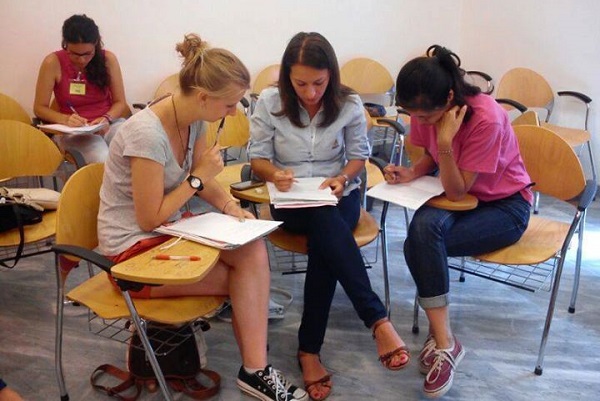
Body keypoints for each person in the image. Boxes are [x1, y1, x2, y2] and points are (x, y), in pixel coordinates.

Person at [96, 33, 307, 401]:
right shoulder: (146, 135)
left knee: (253, 252)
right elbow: (149, 217)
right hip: (131, 257)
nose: (233, 113)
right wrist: (197, 178)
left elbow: (203, 182)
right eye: (229, 105)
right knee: (244, 281)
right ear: (204, 97)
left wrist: (228, 207)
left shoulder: (193, 119)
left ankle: (255, 371)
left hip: (166, 234)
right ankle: (255, 370)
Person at [248, 32, 409, 401]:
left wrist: (342, 178)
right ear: (287, 77)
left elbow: (358, 156)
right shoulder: (270, 102)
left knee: (326, 232)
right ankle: (377, 320)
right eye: (300, 83)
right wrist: (275, 174)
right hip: (290, 198)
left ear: (331, 76)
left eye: (318, 83)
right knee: (325, 226)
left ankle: (310, 351)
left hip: (340, 194)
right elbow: (257, 158)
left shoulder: (348, 104)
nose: (309, 92)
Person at [384, 45, 533, 398]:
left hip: (505, 207)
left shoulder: (487, 118)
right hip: (466, 199)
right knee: (420, 236)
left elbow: (455, 191)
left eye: (428, 117)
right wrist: (411, 172)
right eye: (413, 115)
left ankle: (444, 344)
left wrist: (447, 140)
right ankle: (446, 341)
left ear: (450, 97)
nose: (420, 123)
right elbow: (429, 158)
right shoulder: (425, 109)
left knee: (420, 242)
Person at [33, 14, 128, 164]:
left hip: (108, 123)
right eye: (75, 54)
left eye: (87, 54)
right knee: (101, 158)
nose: (82, 60)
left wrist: (106, 119)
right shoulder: (53, 62)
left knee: (132, 150)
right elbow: (39, 108)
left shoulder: (108, 59)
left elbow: (120, 102)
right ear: (65, 45)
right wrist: (65, 119)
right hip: (74, 131)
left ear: (96, 44)